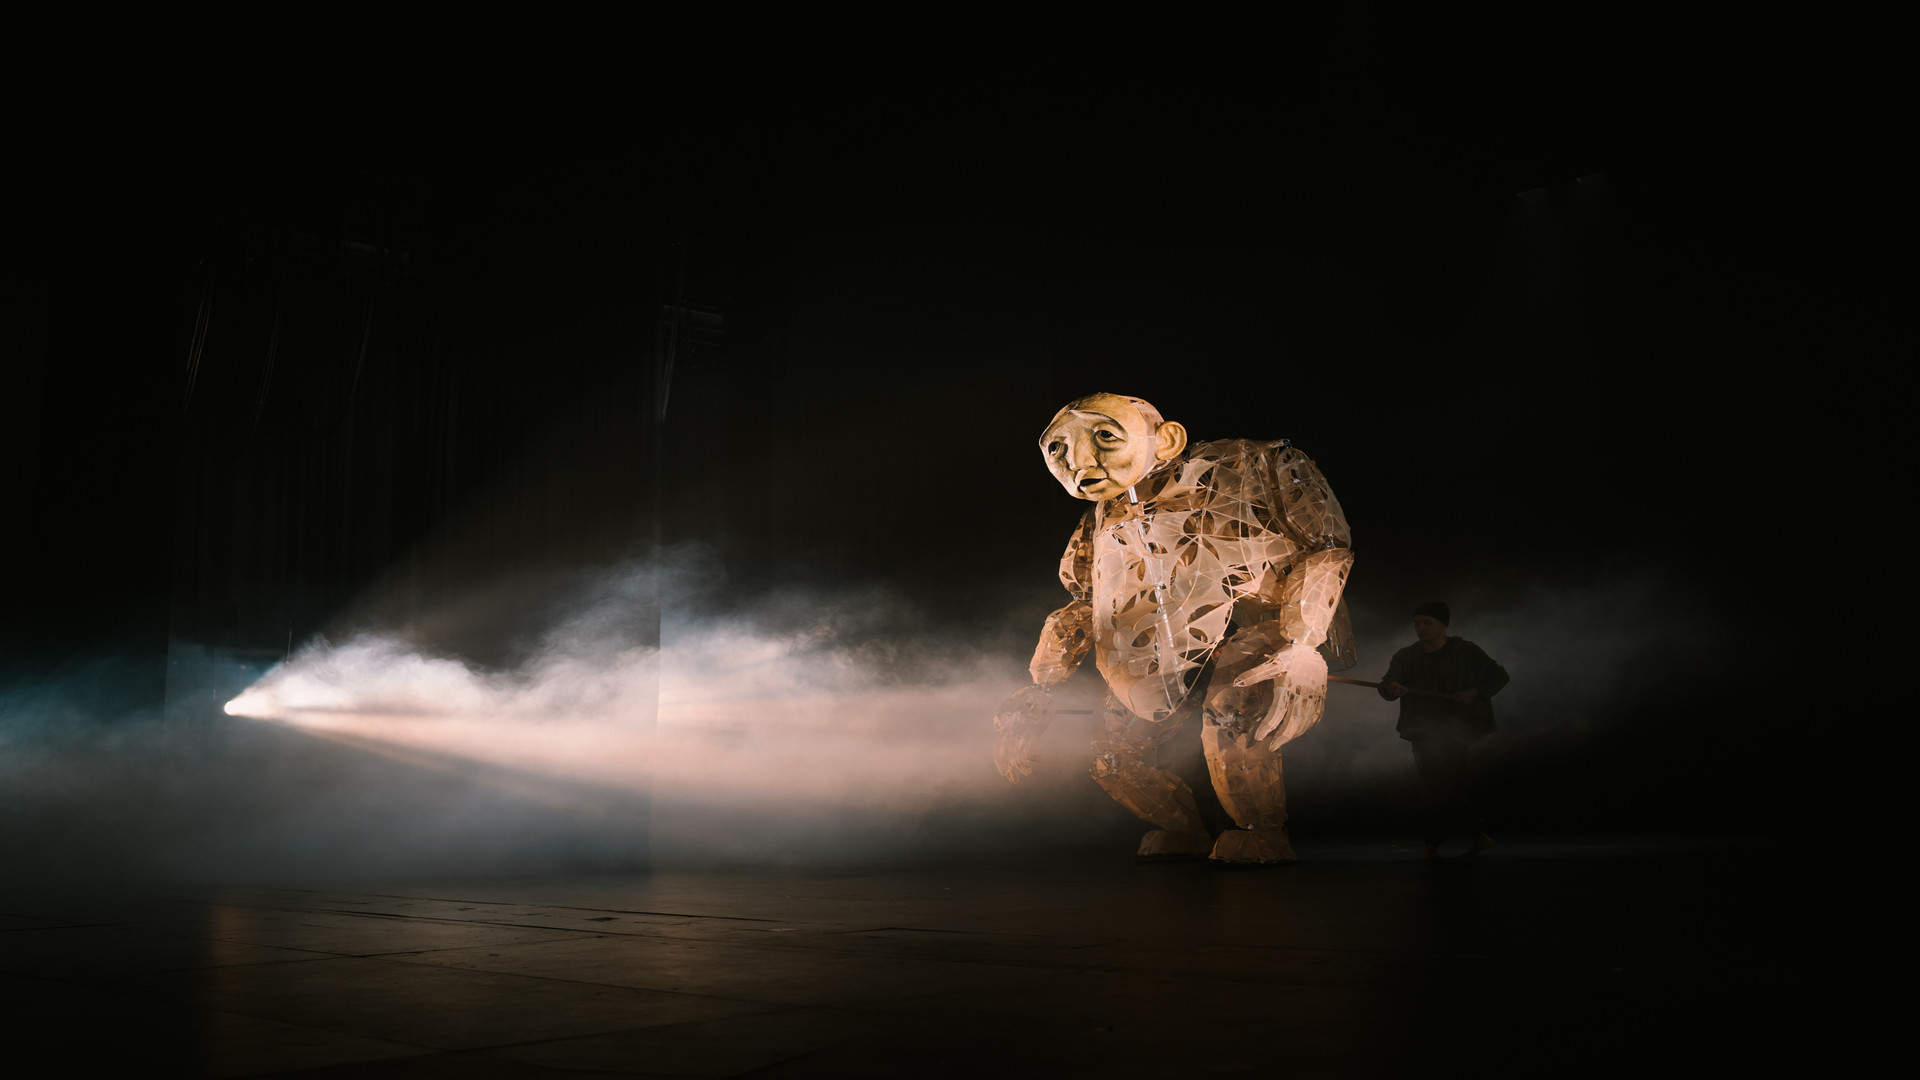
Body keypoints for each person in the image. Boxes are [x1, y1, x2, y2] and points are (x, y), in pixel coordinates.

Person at [992, 393, 1357, 864]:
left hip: (1259, 627)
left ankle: (1260, 832)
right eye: (1057, 450)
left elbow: (1326, 547)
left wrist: (1304, 641)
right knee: (1113, 757)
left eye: (1104, 436)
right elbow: (1085, 603)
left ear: (1167, 440)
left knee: (1231, 721)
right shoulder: (1101, 518)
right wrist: (1040, 684)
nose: (1079, 461)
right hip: (1158, 650)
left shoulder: (1255, 465)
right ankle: (1185, 829)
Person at [1379, 601, 1509, 859]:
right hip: (1422, 730)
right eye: (1417, 623)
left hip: (1457, 730)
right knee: (1441, 786)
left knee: (1440, 786)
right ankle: (1477, 836)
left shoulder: (1465, 651)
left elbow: (1499, 676)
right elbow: (1387, 685)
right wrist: (1392, 687)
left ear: (1443, 625)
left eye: (1428, 623)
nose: (1421, 628)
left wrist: (1475, 692)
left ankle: (1433, 844)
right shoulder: (1406, 656)